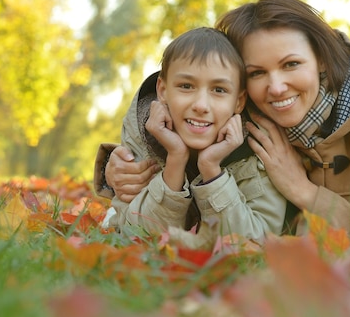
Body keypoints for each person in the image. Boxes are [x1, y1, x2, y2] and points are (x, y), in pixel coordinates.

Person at [98, 0, 350, 244]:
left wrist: (305, 192)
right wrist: (124, 164)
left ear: (322, 62)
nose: (276, 87)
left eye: (291, 64)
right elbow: (187, 91)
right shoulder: (243, 110)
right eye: (256, 72)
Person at [96, 27, 288, 248]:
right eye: (186, 86)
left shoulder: (258, 146)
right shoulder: (143, 130)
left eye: (219, 90)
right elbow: (137, 236)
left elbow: (254, 244)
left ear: (239, 101)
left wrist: (211, 170)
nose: (200, 105)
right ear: (163, 90)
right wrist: (175, 160)